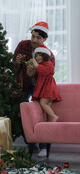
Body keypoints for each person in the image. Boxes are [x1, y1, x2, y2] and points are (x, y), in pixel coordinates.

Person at [13, 21, 55, 157]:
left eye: (38, 38)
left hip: (41, 87)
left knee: (41, 113)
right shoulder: (22, 45)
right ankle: (31, 144)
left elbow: (48, 73)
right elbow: (13, 66)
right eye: (33, 36)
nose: (35, 40)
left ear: (45, 39)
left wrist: (35, 71)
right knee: (23, 114)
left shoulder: (48, 55)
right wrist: (17, 63)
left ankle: (43, 145)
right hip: (23, 85)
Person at [31, 45, 61, 122]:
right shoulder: (42, 64)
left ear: (45, 55)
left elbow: (45, 72)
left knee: (43, 102)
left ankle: (54, 116)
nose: (38, 57)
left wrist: (37, 66)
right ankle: (50, 121)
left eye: (40, 55)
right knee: (47, 105)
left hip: (48, 87)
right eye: (36, 55)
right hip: (45, 86)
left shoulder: (49, 63)